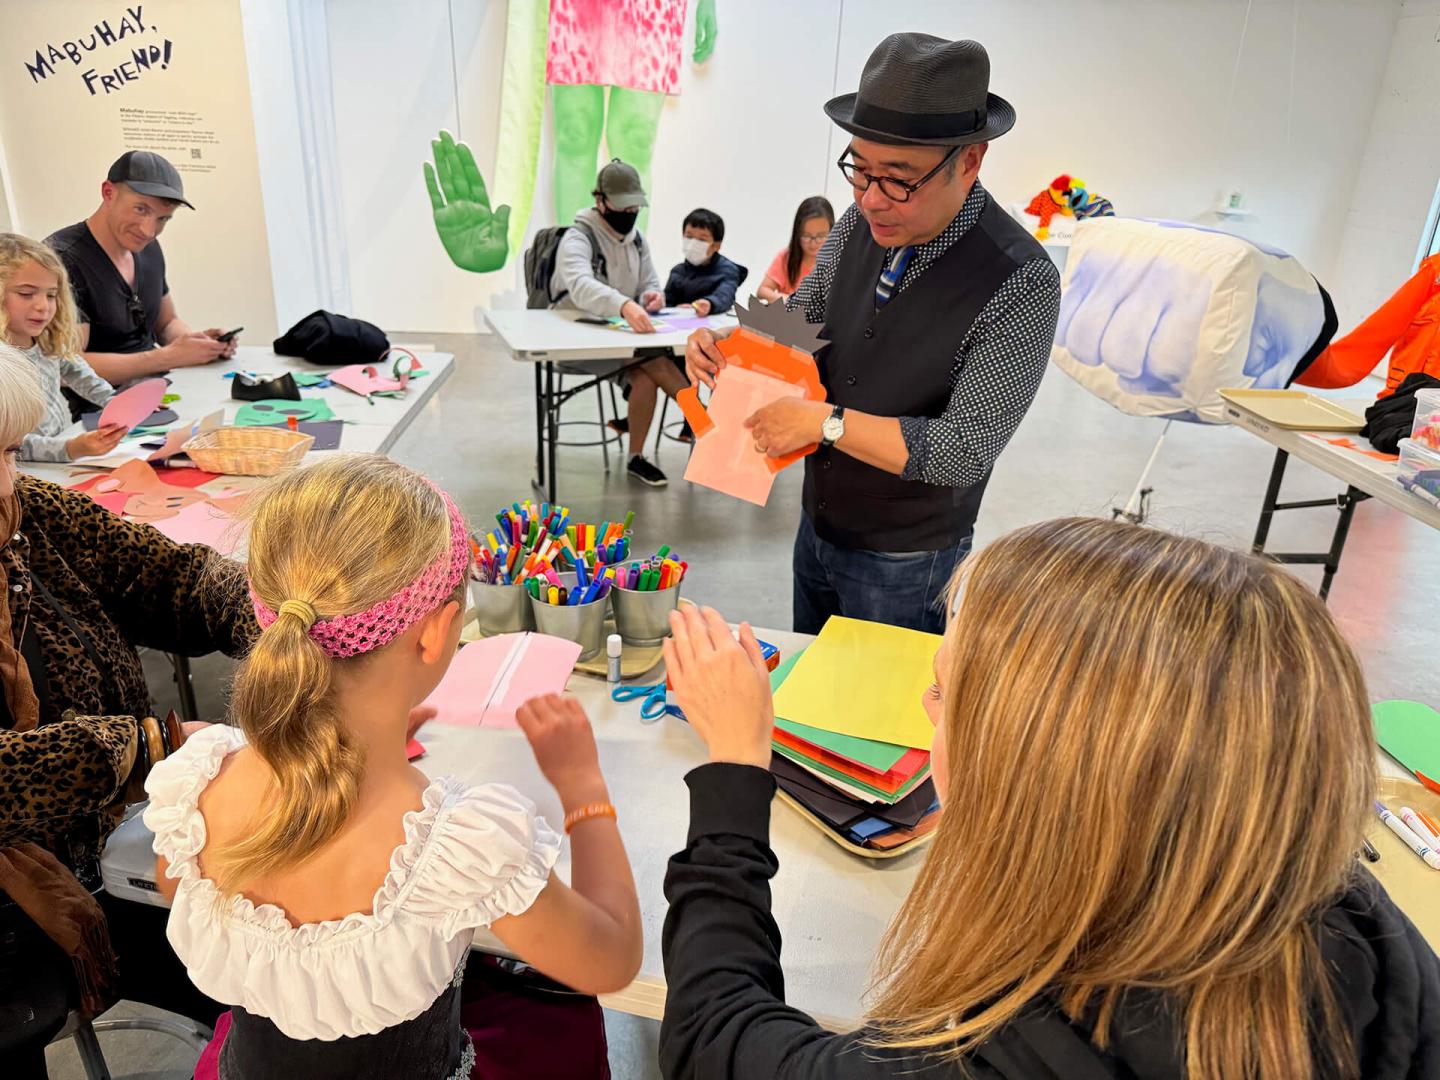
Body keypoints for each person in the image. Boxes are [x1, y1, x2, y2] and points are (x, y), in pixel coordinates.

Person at [658, 519, 1440, 1079]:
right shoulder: (1368, 936)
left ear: (1040, 781)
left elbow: (715, 1039)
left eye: (945, 692)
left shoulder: (1006, 1054)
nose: (929, 708)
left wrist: (736, 765)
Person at [145, 455, 642, 1076]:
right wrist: (583, 790)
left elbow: (175, 883)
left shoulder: (198, 783)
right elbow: (612, 960)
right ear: (437, 634)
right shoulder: (459, 847)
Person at [687, 35, 1063, 634]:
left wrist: (824, 422)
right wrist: (725, 343)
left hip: (907, 561)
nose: (870, 199)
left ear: (969, 160)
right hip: (819, 529)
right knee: (810, 708)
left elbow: (963, 451)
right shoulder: (856, 226)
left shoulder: (1020, 280)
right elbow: (799, 324)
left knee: (876, 723)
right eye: (859, 170)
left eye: (898, 179)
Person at [0, 343, 256, 1076]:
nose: (9, 478)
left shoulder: (24, 514)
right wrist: (146, 747)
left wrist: (269, 611)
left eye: (13, 450)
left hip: (107, 844)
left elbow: (169, 575)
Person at [45, 151, 238, 386]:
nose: (148, 231)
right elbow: (67, 367)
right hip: (102, 410)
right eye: (141, 209)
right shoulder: (63, 261)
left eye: (163, 219)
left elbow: (166, 324)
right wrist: (163, 358)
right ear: (108, 193)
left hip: (161, 390)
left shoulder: (148, 247)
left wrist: (198, 345)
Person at [551, 158, 688, 487]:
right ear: (601, 201)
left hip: (620, 340)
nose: (629, 214)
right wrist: (624, 305)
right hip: (574, 339)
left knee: (646, 375)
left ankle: (636, 457)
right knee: (652, 359)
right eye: (622, 206)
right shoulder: (578, 238)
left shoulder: (637, 240)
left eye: (633, 207)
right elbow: (581, 286)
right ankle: (703, 420)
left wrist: (653, 296)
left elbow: (650, 282)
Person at [0, 234, 125, 462]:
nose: (43, 306)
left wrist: (116, 403)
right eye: (26, 294)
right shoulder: (4, 364)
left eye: (51, 295)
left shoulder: (48, 341)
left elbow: (81, 374)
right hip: (22, 473)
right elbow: (9, 445)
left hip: (57, 461)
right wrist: (70, 449)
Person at [664, 209, 747, 317]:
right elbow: (666, 302)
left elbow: (725, 296)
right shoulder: (677, 271)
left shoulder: (728, 270)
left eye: (702, 240)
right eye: (689, 237)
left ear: (716, 245)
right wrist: (673, 308)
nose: (693, 243)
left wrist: (709, 303)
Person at [756, 196, 834, 303]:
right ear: (797, 233)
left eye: (820, 236)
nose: (813, 242)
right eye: (806, 236)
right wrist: (787, 300)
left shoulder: (836, 262)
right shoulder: (786, 258)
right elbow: (762, 291)